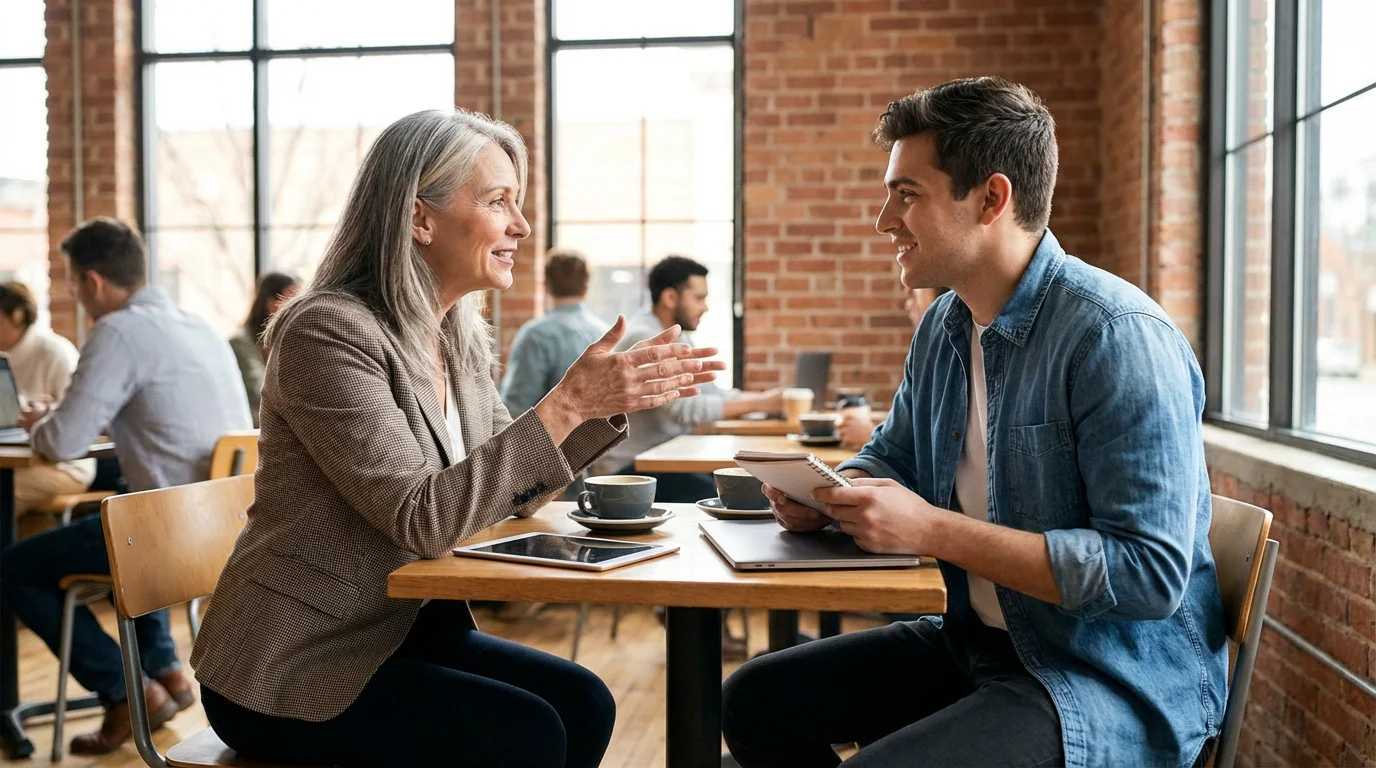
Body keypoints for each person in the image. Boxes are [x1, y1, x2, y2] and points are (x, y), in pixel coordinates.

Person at [188, 108, 723, 768]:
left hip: (397, 632)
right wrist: (568, 403)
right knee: (526, 735)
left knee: (586, 703)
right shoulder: (326, 333)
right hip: (294, 660)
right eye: (499, 201)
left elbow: (517, 492)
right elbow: (424, 519)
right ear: (419, 219)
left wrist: (593, 409)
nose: (521, 226)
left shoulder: (453, 335)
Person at [722, 77, 1227, 768]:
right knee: (753, 701)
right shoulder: (945, 325)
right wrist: (830, 495)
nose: (884, 221)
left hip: (1106, 679)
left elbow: (1147, 573)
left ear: (992, 199)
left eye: (907, 196)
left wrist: (931, 529)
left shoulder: (1115, 336)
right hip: (980, 642)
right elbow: (893, 457)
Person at [0, 218, 254, 754]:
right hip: (225, 523)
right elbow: (148, 412)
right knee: (128, 512)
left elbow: (62, 444)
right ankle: (167, 675)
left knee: (13, 568)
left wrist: (45, 422)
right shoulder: (195, 325)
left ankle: (123, 692)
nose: (74, 293)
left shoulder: (117, 331)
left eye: (71, 282)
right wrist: (67, 415)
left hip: (169, 533)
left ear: (92, 281)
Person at [592, 255, 782, 502]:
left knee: (747, 488)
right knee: (744, 496)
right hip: (630, 471)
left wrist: (767, 400)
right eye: (699, 297)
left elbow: (712, 393)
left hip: (661, 461)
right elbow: (681, 409)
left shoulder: (676, 337)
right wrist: (761, 404)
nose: (705, 307)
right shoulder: (647, 339)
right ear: (670, 298)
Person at [0, 281, 97, 519]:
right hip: (16, 462)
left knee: (5, 491)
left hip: (65, 467)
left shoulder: (54, 352)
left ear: (17, 315)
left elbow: (79, 421)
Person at [499, 249, 606, 415]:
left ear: (546, 288)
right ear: (585, 290)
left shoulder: (535, 334)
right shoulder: (604, 333)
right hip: (600, 438)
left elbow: (517, 407)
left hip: (550, 438)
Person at [837, 287, 946, 448]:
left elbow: (936, 447)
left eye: (915, 295)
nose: (908, 306)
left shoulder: (948, 355)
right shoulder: (926, 351)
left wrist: (869, 434)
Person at [229, 271, 300, 427]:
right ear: (271, 303)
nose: (300, 306)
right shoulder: (240, 342)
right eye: (293, 297)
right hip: (252, 427)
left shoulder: (287, 340)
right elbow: (258, 391)